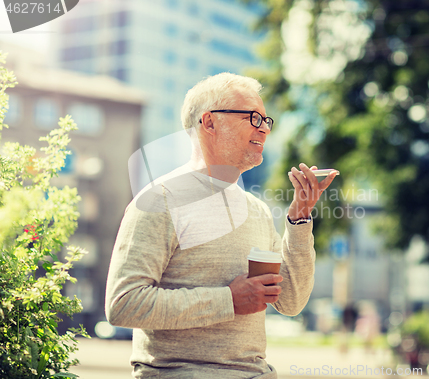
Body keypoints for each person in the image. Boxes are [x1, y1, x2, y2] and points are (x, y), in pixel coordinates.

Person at [105, 73, 338, 378]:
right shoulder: (159, 200)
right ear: (209, 122)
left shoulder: (256, 210)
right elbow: (124, 303)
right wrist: (228, 300)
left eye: (267, 121)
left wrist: (299, 219)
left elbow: (290, 301)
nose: (264, 129)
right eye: (253, 118)